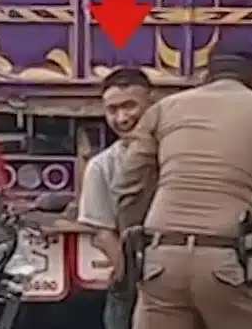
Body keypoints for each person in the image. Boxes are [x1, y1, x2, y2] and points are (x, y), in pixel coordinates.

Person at [112, 43, 252, 329]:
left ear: (208, 72)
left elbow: (128, 186)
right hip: (228, 257)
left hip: (163, 258)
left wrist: (136, 242)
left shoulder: (163, 110)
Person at [77, 66, 154, 329]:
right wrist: (130, 276)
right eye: (112, 109)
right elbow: (103, 233)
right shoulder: (101, 166)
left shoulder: (178, 155)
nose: (122, 118)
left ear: (151, 104)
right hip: (135, 272)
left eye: (130, 106)